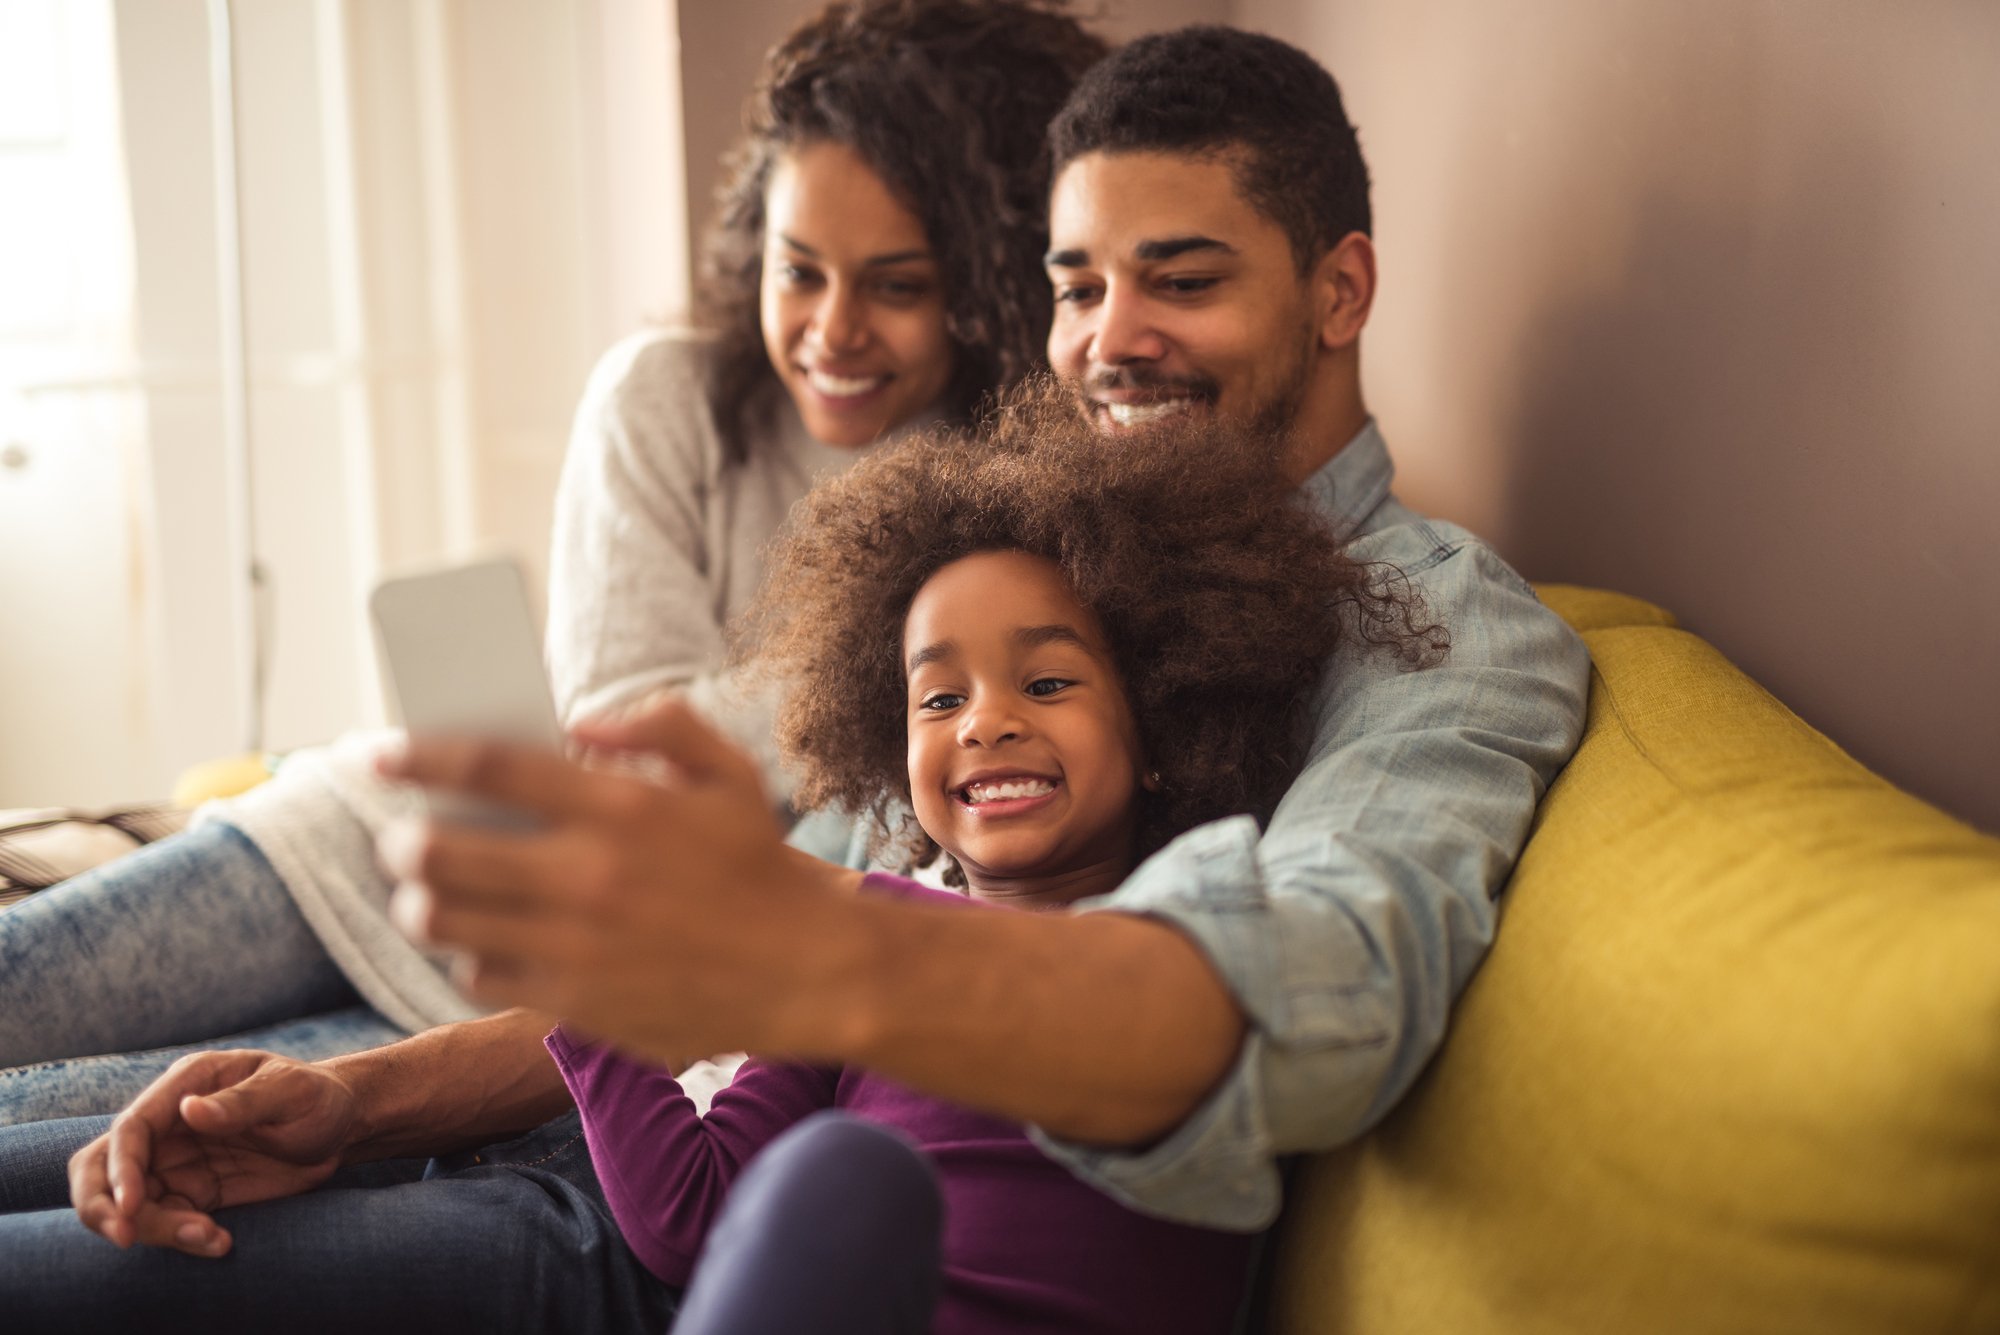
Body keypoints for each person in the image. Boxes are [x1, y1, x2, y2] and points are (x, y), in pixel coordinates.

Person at [4, 21, 1590, 1318]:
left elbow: (1310, 992)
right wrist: (364, 1105)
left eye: (1180, 278)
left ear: (1340, 289)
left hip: (710, 1247)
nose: (1111, 339)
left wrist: (829, 950)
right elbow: (765, 939)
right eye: (1075, 284)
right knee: (68, 1137)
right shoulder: (1030, 546)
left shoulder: (1440, 635)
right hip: (633, 1141)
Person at [0, 0, 1105, 1125]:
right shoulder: (663, 398)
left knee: (78, 1118)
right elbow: (625, 752)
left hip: (550, 1013)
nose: (831, 329)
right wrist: (877, 661)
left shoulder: (1009, 494)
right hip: (367, 847)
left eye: (898, 285)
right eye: (797, 270)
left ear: (988, 284)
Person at [552, 386, 1447, 1333]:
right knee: (842, 1177)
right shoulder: (856, 958)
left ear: (1160, 727)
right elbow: (694, 1217)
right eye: (938, 700)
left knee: (844, 1169)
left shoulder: (1183, 951)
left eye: (1048, 682)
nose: (985, 722)